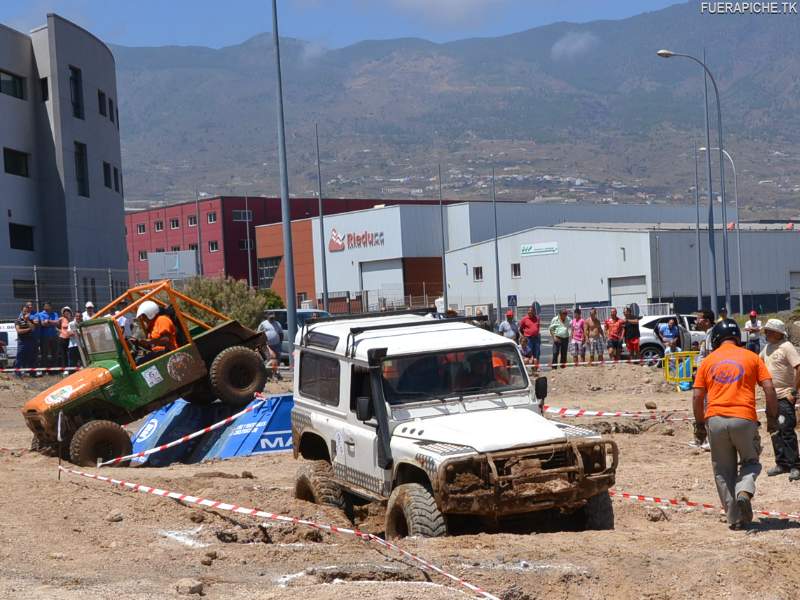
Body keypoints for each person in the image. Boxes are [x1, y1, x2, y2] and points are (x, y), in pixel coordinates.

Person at [692, 319, 778, 530]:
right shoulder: (752, 357)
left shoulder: (708, 361)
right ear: (737, 338)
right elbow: (769, 388)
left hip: (715, 419)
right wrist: (773, 417)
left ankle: (735, 520)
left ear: (716, 339)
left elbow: (696, 396)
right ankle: (744, 491)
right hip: (744, 419)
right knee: (750, 461)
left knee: (722, 470)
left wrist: (699, 424)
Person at [760, 319, 800, 481]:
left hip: (784, 396)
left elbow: (798, 367)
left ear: (778, 332)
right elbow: (758, 362)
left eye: (769, 330)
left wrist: (794, 391)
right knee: (775, 431)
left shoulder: (787, 347)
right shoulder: (767, 347)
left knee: (787, 431)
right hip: (771, 397)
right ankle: (781, 463)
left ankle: (795, 465)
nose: (766, 333)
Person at [130, 300, 177, 364]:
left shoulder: (162, 320)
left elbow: (166, 339)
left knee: (139, 362)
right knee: (138, 361)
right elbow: (152, 346)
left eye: (143, 316)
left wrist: (149, 341)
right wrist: (138, 343)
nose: (142, 318)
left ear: (150, 313)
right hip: (159, 353)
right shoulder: (151, 326)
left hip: (169, 352)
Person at [258, 312, 284, 380]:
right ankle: (269, 375)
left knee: (277, 360)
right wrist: (262, 343)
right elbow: (259, 334)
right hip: (267, 345)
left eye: (273, 317)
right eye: (270, 317)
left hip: (277, 344)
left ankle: (275, 373)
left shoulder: (277, 324)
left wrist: (280, 342)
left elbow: (281, 333)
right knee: (270, 359)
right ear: (267, 316)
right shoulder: (263, 324)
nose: (272, 318)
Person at [35, 302, 59, 368]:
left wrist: (48, 321)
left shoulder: (54, 314)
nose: (46, 308)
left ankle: (54, 369)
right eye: (45, 306)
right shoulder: (40, 314)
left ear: (50, 307)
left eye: (48, 306)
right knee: (44, 353)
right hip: (44, 336)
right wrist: (52, 322)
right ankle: (44, 369)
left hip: (54, 336)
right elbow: (43, 324)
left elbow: (57, 323)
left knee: (54, 353)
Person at [14, 304, 36, 375]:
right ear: (21, 311)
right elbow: (19, 331)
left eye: (27, 311)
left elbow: (33, 328)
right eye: (24, 311)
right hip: (22, 341)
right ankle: (17, 373)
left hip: (30, 340)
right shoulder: (18, 320)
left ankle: (32, 373)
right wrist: (28, 329)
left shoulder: (31, 320)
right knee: (19, 356)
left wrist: (27, 321)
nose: (25, 312)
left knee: (31, 357)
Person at [518, 304, 541, 369]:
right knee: (529, 354)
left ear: (534, 312)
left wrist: (537, 334)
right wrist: (522, 336)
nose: (530, 312)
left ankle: (536, 368)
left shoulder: (537, 318)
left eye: (531, 311)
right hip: (528, 339)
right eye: (529, 311)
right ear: (527, 312)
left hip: (536, 338)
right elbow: (520, 329)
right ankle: (529, 369)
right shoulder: (524, 319)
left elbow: (538, 327)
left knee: (537, 353)